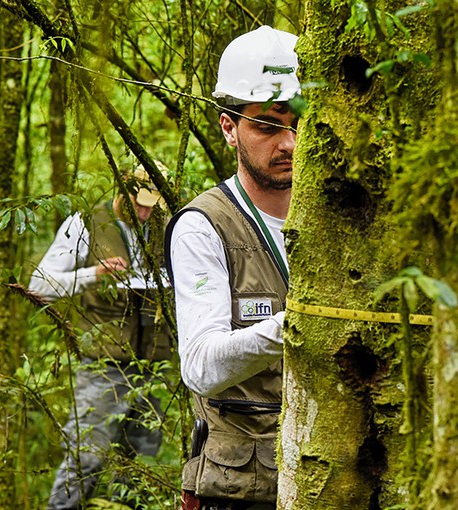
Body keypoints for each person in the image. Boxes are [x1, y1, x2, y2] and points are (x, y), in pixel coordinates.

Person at [165, 25, 300, 510]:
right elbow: (201, 365)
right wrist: (295, 326)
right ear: (229, 126)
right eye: (267, 126)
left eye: (299, 124)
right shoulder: (204, 226)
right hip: (242, 487)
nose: (287, 144)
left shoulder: (341, 221)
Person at [29, 164, 172, 509]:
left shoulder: (166, 226)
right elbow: (39, 285)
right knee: (86, 456)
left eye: (153, 205)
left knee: (140, 460)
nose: (145, 212)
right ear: (122, 189)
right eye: (139, 203)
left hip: (154, 362)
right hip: (103, 364)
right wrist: (94, 273)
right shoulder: (86, 223)